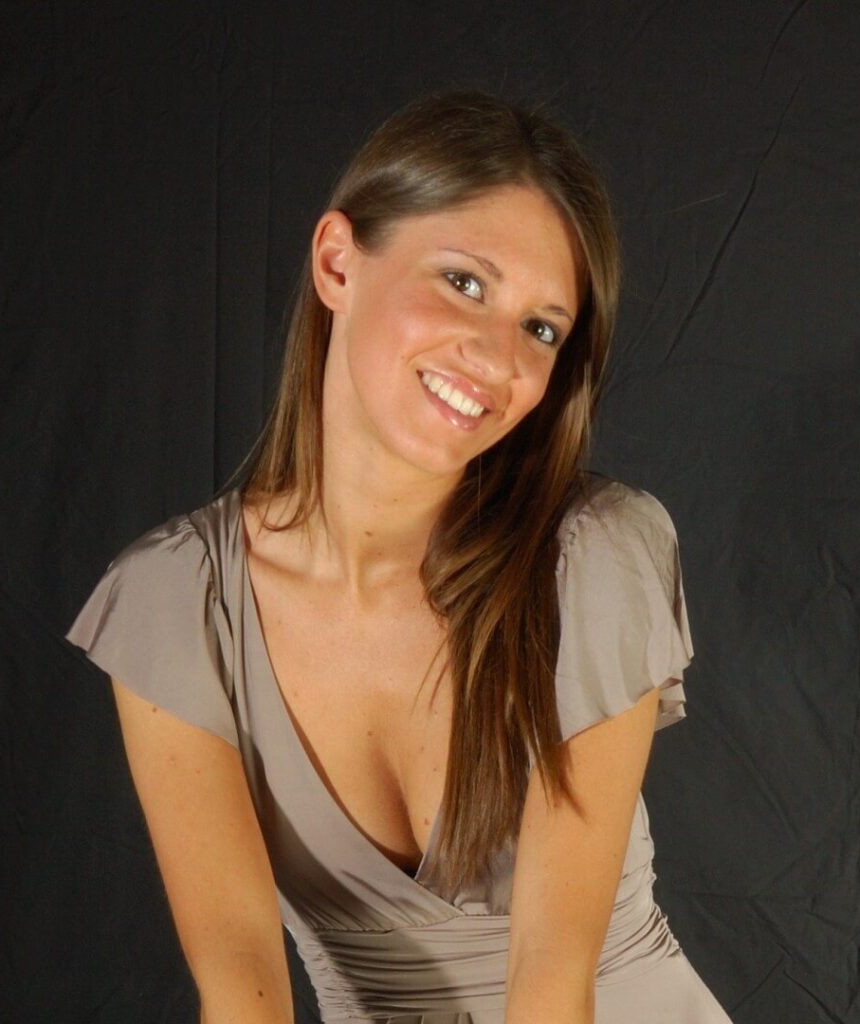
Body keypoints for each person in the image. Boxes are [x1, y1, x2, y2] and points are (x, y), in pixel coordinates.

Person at [65, 90, 733, 1024]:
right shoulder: (175, 604)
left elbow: (552, 979)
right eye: (464, 282)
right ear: (338, 263)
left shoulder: (597, 556)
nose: (496, 357)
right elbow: (240, 988)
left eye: (541, 328)